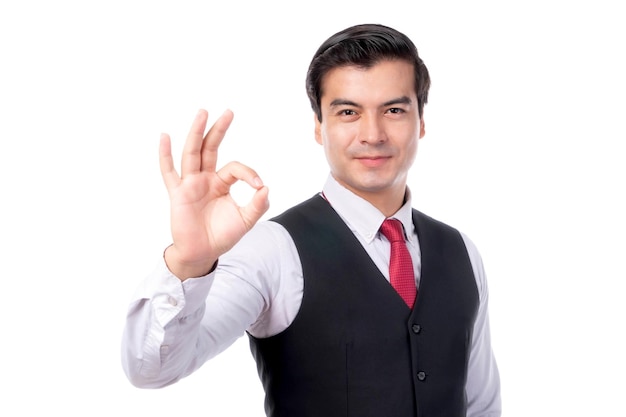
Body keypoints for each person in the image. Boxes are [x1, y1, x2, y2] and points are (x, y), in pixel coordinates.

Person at [121, 23, 501, 417]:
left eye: (393, 110)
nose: (372, 134)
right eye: (348, 112)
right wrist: (189, 263)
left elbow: (481, 406)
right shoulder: (273, 250)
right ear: (319, 126)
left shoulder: (462, 253)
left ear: (421, 121)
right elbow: (152, 370)